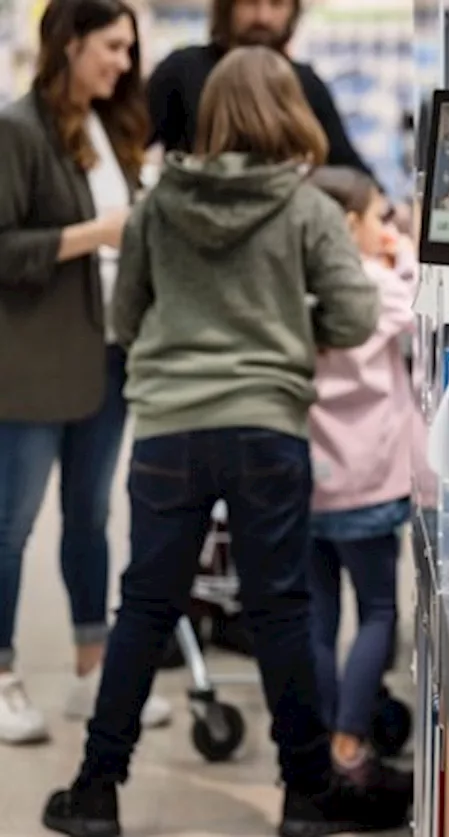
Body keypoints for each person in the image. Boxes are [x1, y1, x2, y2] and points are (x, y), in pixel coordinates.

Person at [42, 46, 410, 837]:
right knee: (281, 610)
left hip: (170, 432)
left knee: (143, 606)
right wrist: (280, 328)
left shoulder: (156, 204)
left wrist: (182, 347)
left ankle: (96, 790)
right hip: (267, 432)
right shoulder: (308, 207)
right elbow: (352, 318)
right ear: (289, 114)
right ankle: (308, 797)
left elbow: (125, 316)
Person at [0, 0, 171, 746]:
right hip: (35, 364)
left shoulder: (111, 128)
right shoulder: (17, 130)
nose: (123, 64)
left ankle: (90, 666)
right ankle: (3, 674)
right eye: (112, 47)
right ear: (68, 44)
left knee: (92, 516)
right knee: (12, 525)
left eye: (129, 49)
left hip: (110, 354)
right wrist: (96, 233)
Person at [305, 166, 416, 783]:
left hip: (308, 482)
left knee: (319, 617)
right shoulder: (376, 284)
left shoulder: (294, 282)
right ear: (350, 226)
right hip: (369, 481)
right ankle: (351, 744)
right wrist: (405, 256)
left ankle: (323, 740)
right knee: (377, 610)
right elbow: (424, 304)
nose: (390, 226)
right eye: (381, 216)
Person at [146, 0, 374, 178]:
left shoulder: (306, 82)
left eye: (276, 4)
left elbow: (347, 165)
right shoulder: (181, 69)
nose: (262, 17)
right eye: (250, 3)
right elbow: (132, 137)